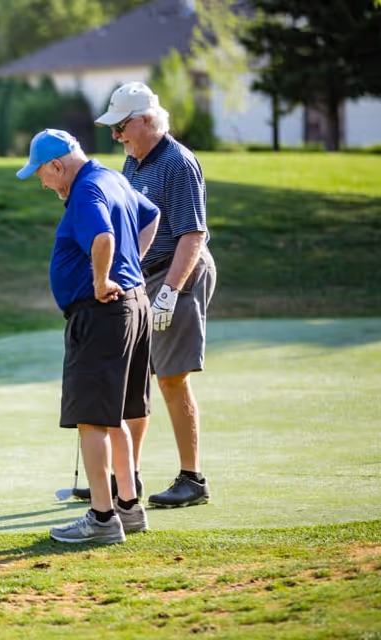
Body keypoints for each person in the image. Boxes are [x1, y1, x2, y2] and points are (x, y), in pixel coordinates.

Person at [17, 129, 160, 544]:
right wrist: (131, 269)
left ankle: (102, 517)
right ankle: (129, 508)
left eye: (42, 175)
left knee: (92, 420)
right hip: (133, 305)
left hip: (102, 313)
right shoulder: (113, 177)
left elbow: (103, 238)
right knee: (113, 414)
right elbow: (150, 217)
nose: (43, 184)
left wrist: (102, 280)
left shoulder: (84, 192)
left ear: (57, 165)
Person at [88, 81, 217, 508]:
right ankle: (128, 478)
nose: (116, 136)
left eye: (121, 126)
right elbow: (137, 225)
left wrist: (170, 293)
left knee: (172, 378)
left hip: (179, 274)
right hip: (145, 277)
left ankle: (192, 478)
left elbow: (192, 233)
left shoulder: (178, 163)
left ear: (146, 121)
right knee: (136, 379)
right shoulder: (135, 163)